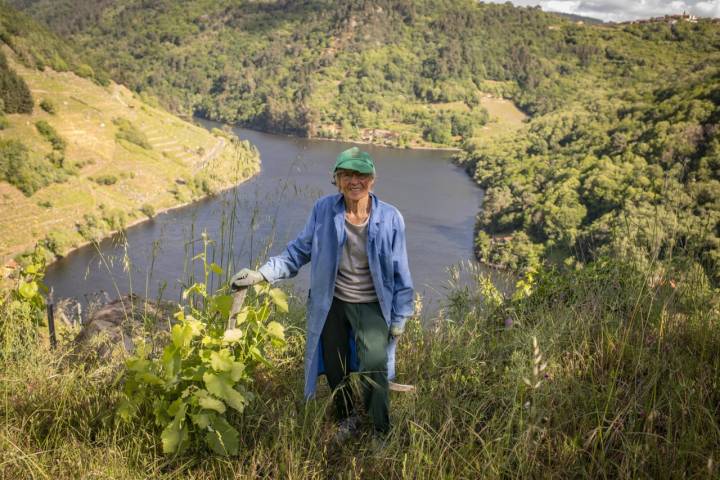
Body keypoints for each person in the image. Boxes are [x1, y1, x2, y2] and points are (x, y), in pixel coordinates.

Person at [231, 146, 414, 437]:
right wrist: (261, 274)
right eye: (346, 175)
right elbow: (298, 252)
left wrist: (401, 315)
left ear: (373, 179)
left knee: (374, 369)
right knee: (334, 366)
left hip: (372, 305)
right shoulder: (323, 210)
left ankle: (381, 430)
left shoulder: (391, 218)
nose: (355, 181)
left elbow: (400, 271)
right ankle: (347, 418)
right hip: (332, 303)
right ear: (337, 180)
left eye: (361, 175)